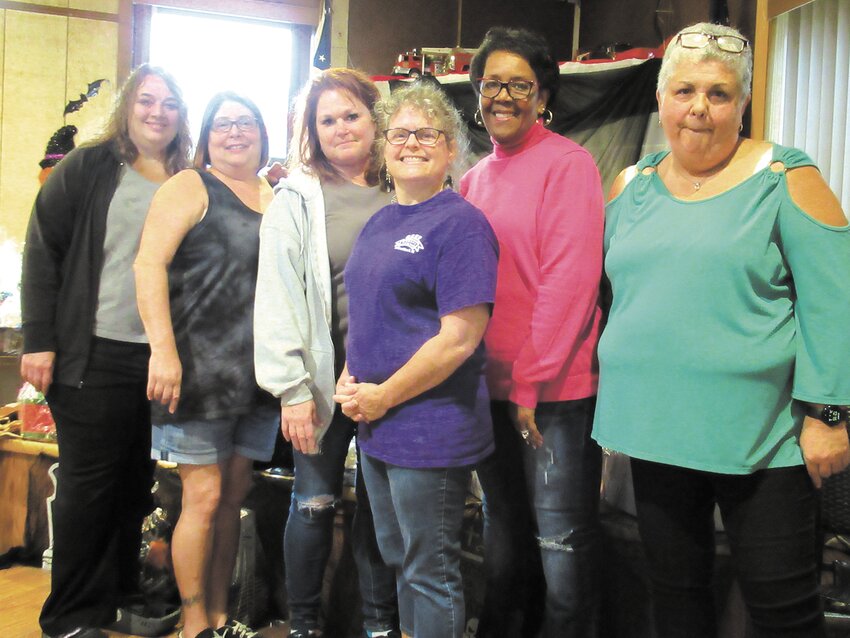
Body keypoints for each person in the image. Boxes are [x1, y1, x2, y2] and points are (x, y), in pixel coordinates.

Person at [594, 22, 850, 638]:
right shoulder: (631, 186)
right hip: (655, 430)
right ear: (660, 98)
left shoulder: (788, 178)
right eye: (684, 91)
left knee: (783, 609)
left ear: (742, 103)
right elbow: (612, 294)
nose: (699, 109)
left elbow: (834, 305)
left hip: (766, 439)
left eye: (719, 93)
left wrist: (829, 415)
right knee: (675, 598)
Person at [20, 64, 191, 638]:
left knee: (131, 484)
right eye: (146, 100)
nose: (157, 112)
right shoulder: (89, 167)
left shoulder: (186, 177)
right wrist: (39, 341)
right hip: (90, 353)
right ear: (127, 106)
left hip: (157, 360)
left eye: (169, 103)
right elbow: (42, 252)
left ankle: (118, 596)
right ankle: (69, 615)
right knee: (87, 490)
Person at [333, 81, 499, 638]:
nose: (411, 144)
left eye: (427, 134)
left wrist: (381, 396)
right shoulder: (381, 222)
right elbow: (370, 313)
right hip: (376, 422)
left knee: (431, 570)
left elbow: (459, 338)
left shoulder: (462, 225)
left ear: (451, 148)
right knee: (399, 555)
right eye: (399, 134)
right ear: (384, 148)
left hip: (430, 427)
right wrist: (350, 379)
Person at [459, 27, 606, 638]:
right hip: (488, 392)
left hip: (551, 397)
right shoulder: (472, 181)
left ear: (543, 95)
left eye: (520, 84)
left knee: (561, 550)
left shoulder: (569, 165)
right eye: (492, 82)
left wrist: (530, 382)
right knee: (505, 546)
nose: (503, 95)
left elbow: (569, 283)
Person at [253, 68, 399, 638]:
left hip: (392, 382)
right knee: (313, 503)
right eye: (327, 120)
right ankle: (305, 625)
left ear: (374, 117)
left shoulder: (406, 184)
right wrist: (290, 388)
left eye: (351, 115)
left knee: (379, 510)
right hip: (318, 383)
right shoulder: (297, 197)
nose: (341, 128)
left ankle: (380, 625)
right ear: (312, 131)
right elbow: (277, 294)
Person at [134, 91, 278, 638]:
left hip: (257, 377)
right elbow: (148, 264)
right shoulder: (190, 186)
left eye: (246, 122)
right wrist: (163, 352)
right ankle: (193, 622)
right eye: (222, 124)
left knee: (234, 497)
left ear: (262, 133)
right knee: (204, 496)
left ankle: (220, 614)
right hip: (196, 370)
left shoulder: (275, 194)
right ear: (206, 136)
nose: (235, 131)